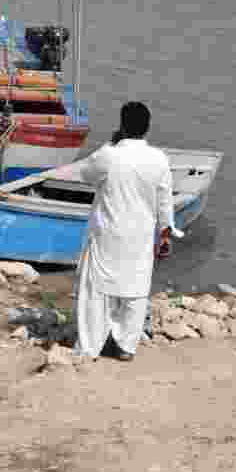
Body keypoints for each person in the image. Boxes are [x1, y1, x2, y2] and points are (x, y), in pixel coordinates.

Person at [73, 102, 179, 362]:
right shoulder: (159, 159)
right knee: (134, 290)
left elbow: (85, 174)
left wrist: (110, 144)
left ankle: (90, 347)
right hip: (140, 237)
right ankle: (125, 346)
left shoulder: (110, 155)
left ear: (121, 125)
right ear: (147, 128)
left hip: (108, 234)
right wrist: (164, 236)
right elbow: (165, 203)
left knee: (96, 291)